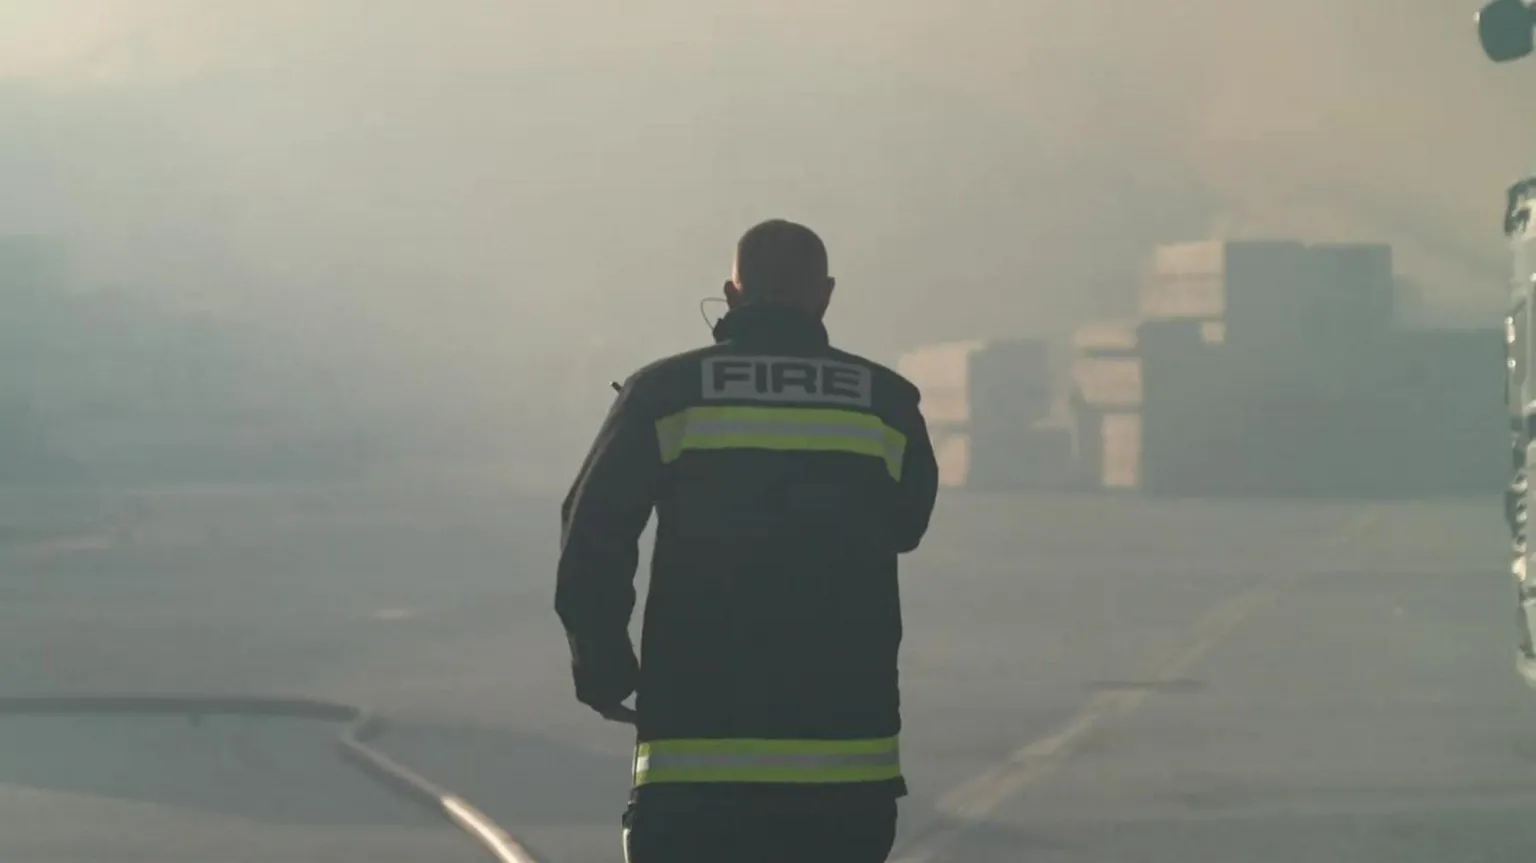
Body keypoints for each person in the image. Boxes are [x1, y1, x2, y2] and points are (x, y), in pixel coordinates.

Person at [555, 219, 940, 863]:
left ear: (732, 295)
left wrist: (603, 667)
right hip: (845, 767)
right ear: (826, 296)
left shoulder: (665, 393)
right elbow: (907, 526)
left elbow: (592, 532)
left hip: (694, 765)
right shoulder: (886, 403)